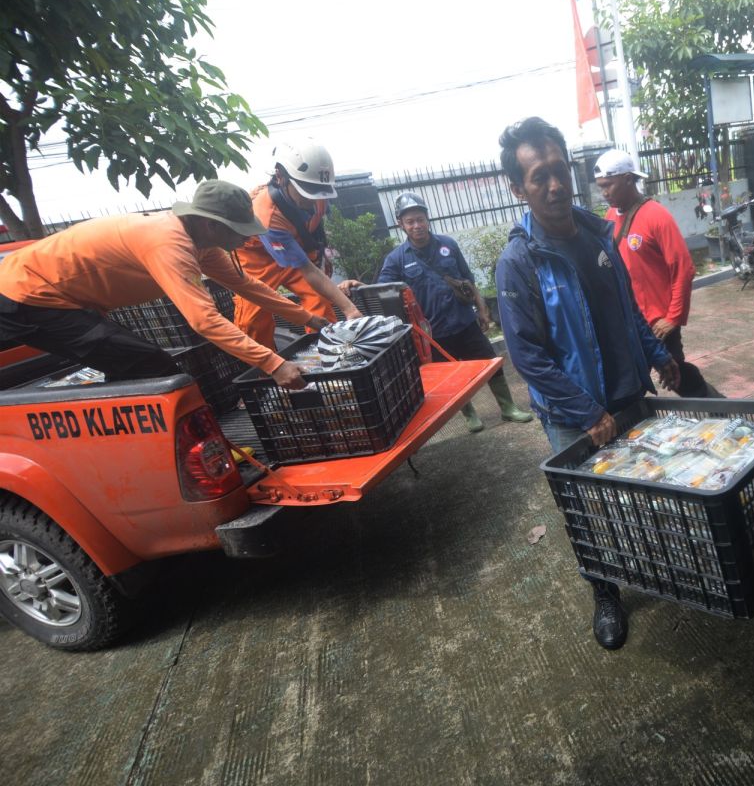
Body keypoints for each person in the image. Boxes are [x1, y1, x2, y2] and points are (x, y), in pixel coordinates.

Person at [494, 117, 680, 652]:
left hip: (628, 395)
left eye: (560, 170)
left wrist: (657, 354)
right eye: (539, 177)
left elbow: (627, 308)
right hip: (574, 416)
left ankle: (651, 565)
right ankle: (605, 594)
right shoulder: (519, 262)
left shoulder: (601, 235)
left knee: (641, 489)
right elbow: (527, 357)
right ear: (518, 188)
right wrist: (585, 410)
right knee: (587, 511)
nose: (555, 185)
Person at [0, 180, 327, 388]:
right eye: (239, 231)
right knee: (150, 367)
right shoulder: (169, 244)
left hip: (62, 299)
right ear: (210, 224)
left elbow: (248, 286)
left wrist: (310, 319)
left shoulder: (204, 244)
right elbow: (204, 321)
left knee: (132, 363)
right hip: (26, 295)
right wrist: (273, 364)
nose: (245, 239)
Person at [377, 192, 533, 432]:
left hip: (464, 322)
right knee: (451, 376)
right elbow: (382, 291)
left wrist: (482, 311)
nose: (417, 225)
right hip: (433, 333)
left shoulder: (448, 245)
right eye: (410, 221)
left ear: (427, 219)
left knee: (490, 363)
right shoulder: (396, 259)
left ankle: (508, 407)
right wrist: (355, 285)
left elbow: (468, 280)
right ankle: (469, 415)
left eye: (420, 219)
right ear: (401, 225)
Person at [593, 148, 722, 398]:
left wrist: (673, 318)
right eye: (601, 187)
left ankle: (723, 410)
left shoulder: (656, 215)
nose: (604, 193)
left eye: (608, 185)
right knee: (632, 383)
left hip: (659, 323)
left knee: (678, 377)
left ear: (628, 179)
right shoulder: (609, 217)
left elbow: (684, 269)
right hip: (632, 322)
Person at [232, 138, 362, 350]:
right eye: (306, 190)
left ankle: (328, 352)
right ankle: (267, 365)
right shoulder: (267, 215)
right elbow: (308, 271)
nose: (312, 199)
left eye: (317, 190)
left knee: (319, 300)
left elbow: (313, 236)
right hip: (257, 257)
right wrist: (349, 309)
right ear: (281, 177)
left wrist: (321, 257)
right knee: (254, 319)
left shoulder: (317, 192)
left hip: (295, 248)